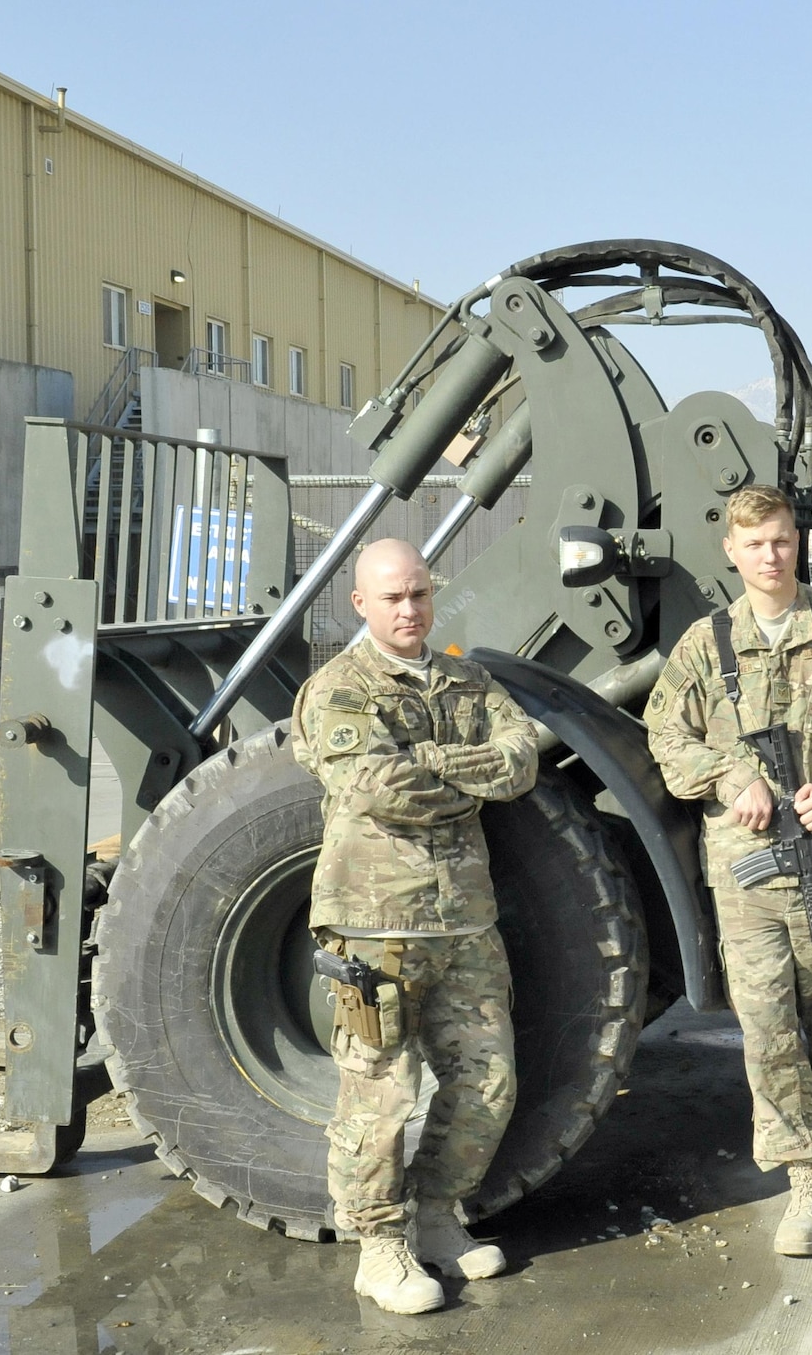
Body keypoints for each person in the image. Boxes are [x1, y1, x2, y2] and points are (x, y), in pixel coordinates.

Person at [645, 486, 812, 1258]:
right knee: (768, 1032)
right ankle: (802, 1176)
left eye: (783, 541)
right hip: (750, 879)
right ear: (731, 551)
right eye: (756, 543)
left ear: (801, 543)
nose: (771, 555)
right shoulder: (707, 645)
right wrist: (733, 779)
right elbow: (667, 737)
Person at [290, 537, 539, 1315]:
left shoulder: (468, 679)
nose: (410, 609)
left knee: (489, 1079)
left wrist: (430, 759)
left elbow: (523, 757)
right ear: (359, 604)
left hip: (464, 918)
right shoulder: (339, 687)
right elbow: (377, 785)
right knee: (379, 1092)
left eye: (420, 594)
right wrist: (469, 776)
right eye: (392, 597)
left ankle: (436, 1218)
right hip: (375, 924)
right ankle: (378, 1247)